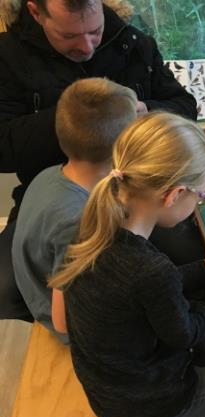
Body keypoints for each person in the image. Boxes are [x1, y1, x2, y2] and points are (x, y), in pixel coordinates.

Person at [48, 112, 205, 417]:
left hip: (115, 390)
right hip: (153, 406)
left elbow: (147, 292)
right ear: (174, 195)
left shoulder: (95, 226)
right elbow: (187, 332)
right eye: (201, 195)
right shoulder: (149, 268)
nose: (199, 203)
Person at [0, 0, 198, 320]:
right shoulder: (7, 58)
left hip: (137, 194)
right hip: (56, 193)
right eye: (69, 36)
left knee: (186, 263)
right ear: (36, 12)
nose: (86, 46)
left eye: (94, 31)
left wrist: (147, 111)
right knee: (9, 292)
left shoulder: (133, 43)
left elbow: (185, 107)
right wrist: (80, 118)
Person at [12, 77, 137, 343]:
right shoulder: (79, 220)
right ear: (124, 146)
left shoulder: (49, 175)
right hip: (77, 330)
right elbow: (64, 321)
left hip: (42, 297)